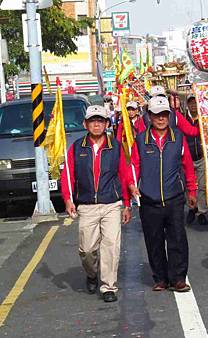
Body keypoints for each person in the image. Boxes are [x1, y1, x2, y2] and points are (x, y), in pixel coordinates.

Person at [61, 105, 132, 302]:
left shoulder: (116, 146)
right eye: (93, 121)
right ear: (85, 124)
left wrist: (127, 204)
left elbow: (124, 175)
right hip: (86, 205)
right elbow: (67, 174)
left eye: (100, 120)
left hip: (111, 204)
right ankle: (91, 274)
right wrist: (68, 199)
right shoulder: (77, 147)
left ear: (107, 124)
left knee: (111, 245)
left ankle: (108, 286)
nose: (97, 124)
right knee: (87, 249)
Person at [129, 96, 197, 292]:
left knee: (177, 239)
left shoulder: (178, 139)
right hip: (149, 199)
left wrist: (191, 190)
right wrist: (132, 185)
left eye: (164, 115)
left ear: (169, 116)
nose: (161, 119)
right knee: (154, 240)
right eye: (157, 115)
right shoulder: (141, 140)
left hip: (174, 196)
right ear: (149, 116)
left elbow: (188, 167)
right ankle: (160, 278)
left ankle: (178, 278)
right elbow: (134, 165)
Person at [184, 94, 208, 225]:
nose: (193, 105)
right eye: (190, 102)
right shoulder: (183, 118)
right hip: (187, 158)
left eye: (195, 102)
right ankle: (191, 208)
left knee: (202, 186)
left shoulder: (203, 118)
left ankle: (202, 212)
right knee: (189, 186)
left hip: (201, 156)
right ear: (187, 104)